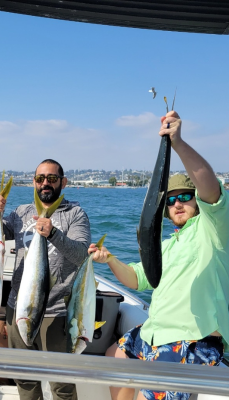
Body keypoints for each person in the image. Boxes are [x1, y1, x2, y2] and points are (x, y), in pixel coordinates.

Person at [89, 111, 229, 400]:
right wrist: (111, 259)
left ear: (197, 201)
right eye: (171, 200)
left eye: (185, 197)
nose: (178, 204)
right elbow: (139, 279)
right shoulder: (166, 245)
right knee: (114, 355)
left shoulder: (214, 230)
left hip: (190, 339)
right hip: (154, 332)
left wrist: (177, 143)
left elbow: (211, 189)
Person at [0, 159, 91, 400]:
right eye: (41, 178)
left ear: (63, 182)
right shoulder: (21, 212)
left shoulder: (75, 214)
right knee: (25, 379)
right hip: (18, 308)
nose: (46, 183)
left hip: (57, 312)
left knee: (61, 385)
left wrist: (52, 233)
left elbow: (81, 255)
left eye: (52, 179)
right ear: (34, 182)